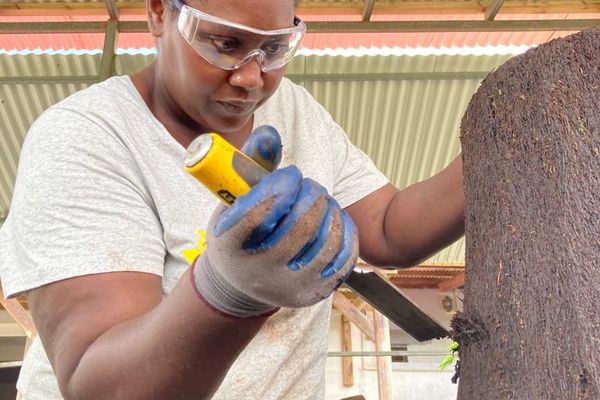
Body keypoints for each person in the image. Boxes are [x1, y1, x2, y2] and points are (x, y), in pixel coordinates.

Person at [0, 0, 464, 398]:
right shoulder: (86, 138)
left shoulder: (294, 111)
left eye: (275, 48)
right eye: (224, 44)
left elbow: (384, 229)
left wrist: (503, 147)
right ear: (159, 12)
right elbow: (101, 385)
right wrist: (230, 289)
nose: (250, 77)